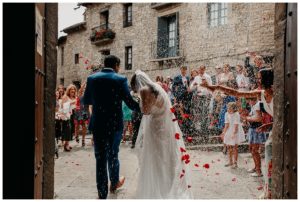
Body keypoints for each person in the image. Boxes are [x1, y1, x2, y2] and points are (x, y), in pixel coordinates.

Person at [83, 55, 140, 199]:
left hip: (98, 124)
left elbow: (87, 100)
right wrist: (144, 108)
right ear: (116, 65)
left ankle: (102, 194)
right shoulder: (120, 79)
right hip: (115, 125)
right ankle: (114, 183)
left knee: (100, 158)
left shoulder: (92, 78)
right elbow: (129, 102)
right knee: (113, 154)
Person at [131, 70, 193, 199]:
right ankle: (168, 187)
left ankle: (158, 189)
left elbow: (146, 111)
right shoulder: (157, 88)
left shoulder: (144, 91)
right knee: (167, 156)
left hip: (155, 127)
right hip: (166, 127)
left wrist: (139, 101)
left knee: (155, 158)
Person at [189, 65, 212, 137]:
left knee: (205, 112)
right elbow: (191, 87)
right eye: (200, 69)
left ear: (204, 69)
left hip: (206, 96)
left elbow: (211, 87)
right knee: (199, 112)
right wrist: (194, 85)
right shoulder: (196, 77)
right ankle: (200, 129)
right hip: (199, 97)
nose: (201, 71)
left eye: (202, 69)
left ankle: (204, 128)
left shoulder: (207, 77)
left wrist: (210, 96)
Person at [221, 102, 245, 169]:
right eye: (227, 107)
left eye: (229, 108)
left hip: (235, 130)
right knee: (229, 147)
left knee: (235, 147)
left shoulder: (236, 114)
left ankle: (235, 163)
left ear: (233, 108)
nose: (228, 109)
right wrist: (224, 132)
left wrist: (234, 133)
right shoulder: (226, 114)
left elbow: (236, 125)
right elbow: (227, 124)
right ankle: (230, 161)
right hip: (229, 129)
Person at [60, 84, 77, 152]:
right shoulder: (65, 97)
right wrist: (71, 103)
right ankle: (65, 145)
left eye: (74, 90)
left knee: (70, 129)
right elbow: (63, 106)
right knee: (67, 129)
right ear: (68, 90)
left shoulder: (72, 97)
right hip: (65, 116)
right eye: (71, 90)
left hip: (71, 115)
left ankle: (67, 143)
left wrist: (74, 105)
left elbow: (72, 107)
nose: (73, 91)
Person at [73, 82, 90, 147]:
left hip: (85, 111)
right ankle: (76, 135)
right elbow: (80, 90)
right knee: (77, 125)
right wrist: (85, 82)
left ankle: (83, 140)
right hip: (78, 111)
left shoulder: (88, 95)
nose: (85, 89)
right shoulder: (79, 94)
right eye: (84, 88)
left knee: (84, 125)